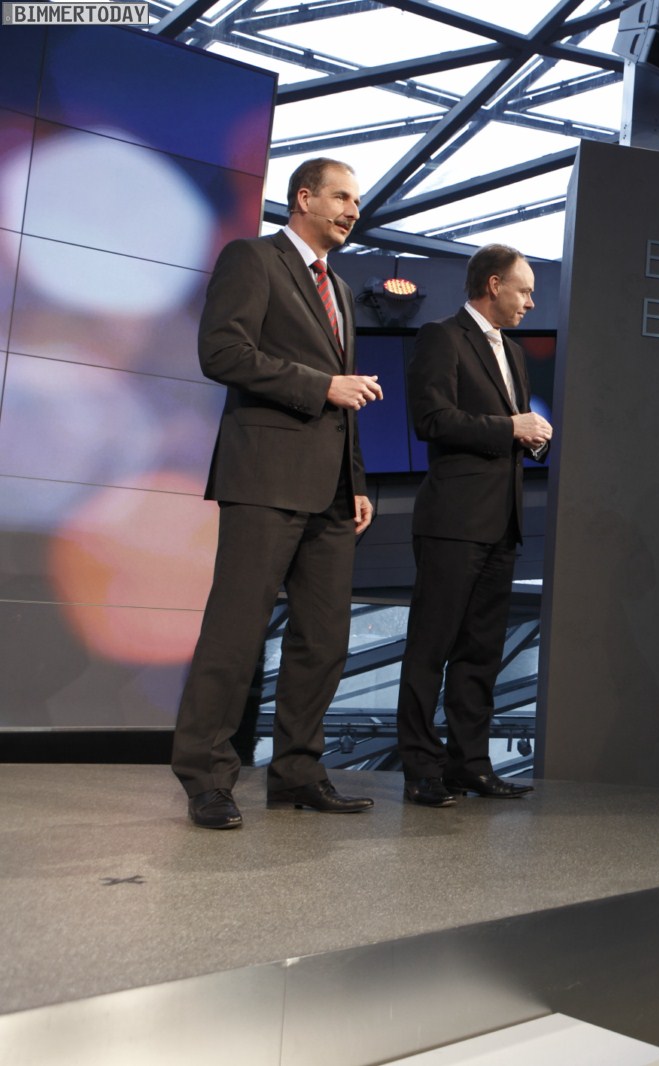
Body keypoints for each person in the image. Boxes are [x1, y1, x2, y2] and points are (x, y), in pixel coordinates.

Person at [173, 157, 383, 829]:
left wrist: (355, 482)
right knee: (236, 635)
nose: (353, 210)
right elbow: (222, 353)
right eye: (342, 196)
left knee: (324, 641)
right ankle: (207, 778)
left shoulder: (340, 287)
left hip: (331, 492)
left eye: (358, 201)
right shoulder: (253, 260)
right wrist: (319, 385)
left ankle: (297, 773)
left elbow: (347, 398)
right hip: (264, 477)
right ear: (304, 198)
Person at [395, 244, 553, 807]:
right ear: (493, 284)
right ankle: (421, 769)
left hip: (501, 523)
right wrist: (511, 427)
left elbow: (509, 430)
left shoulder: (515, 353)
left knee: (481, 654)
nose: (530, 303)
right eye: (524, 291)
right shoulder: (442, 336)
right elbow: (432, 419)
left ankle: (471, 765)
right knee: (430, 648)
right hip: (452, 521)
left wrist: (531, 438)